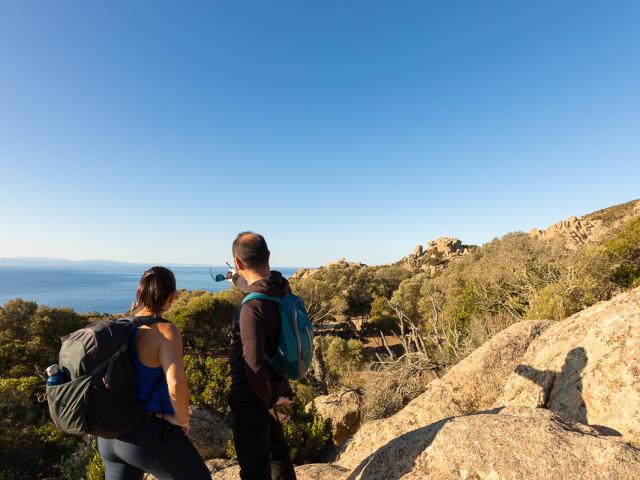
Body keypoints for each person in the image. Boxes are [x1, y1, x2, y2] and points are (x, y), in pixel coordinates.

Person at [97, 266, 210, 480]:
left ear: (139, 294)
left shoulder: (119, 326)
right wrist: (182, 419)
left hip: (110, 435)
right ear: (171, 297)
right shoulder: (165, 331)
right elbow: (175, 383)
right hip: (147, 433)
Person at [228, 232, 297, 480]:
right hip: (280, 387)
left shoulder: (252, 307)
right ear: (268, 256)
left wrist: (268, 402)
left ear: (238, 262)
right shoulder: (281, 287)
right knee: (279, 457)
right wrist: (235, 278)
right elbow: (255, 284)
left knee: (255, 469)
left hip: (253, 399)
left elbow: (253, 365)